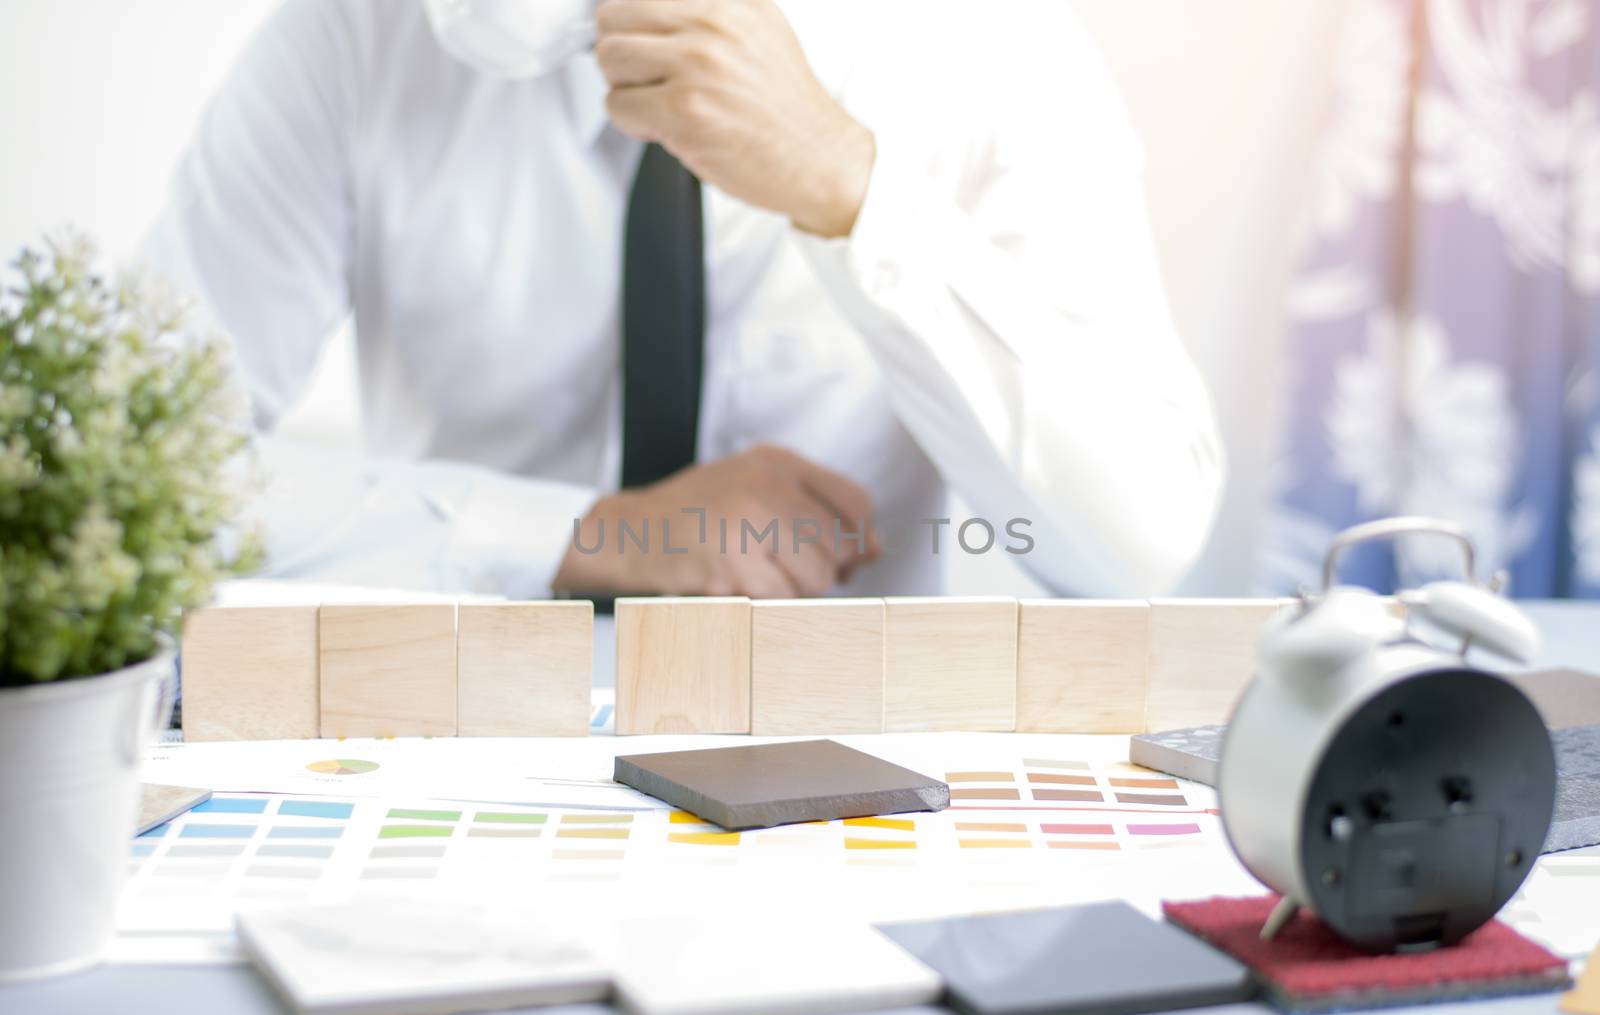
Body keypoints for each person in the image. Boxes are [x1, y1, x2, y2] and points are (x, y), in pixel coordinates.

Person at [146, 0, 1225, 600]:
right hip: (462, 727)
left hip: (851, 768)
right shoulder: (353, 43)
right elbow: (121, 477)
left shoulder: (994, 55)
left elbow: (1136, 549)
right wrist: (576, 534)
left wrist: (848, 186)